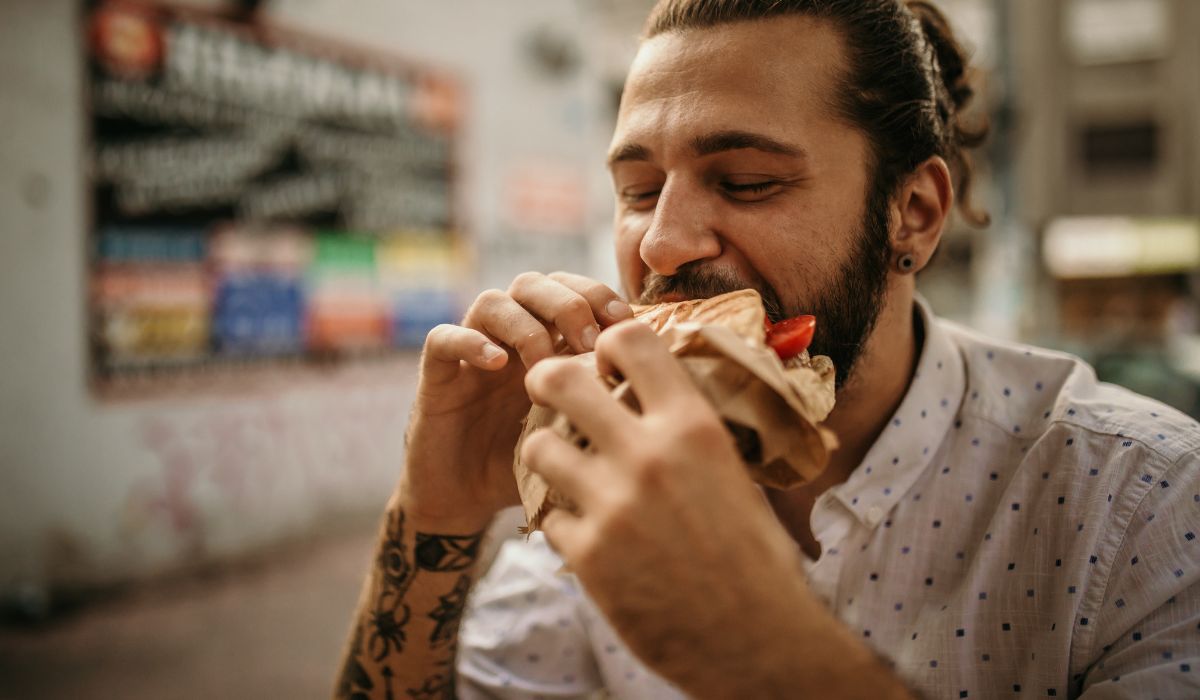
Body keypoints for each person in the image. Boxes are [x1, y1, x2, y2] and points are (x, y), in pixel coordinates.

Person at [335, 1, 1200, 697]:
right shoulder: (598, 481)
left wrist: (762, 651)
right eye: (638, 191)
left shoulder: (1146, 505)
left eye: (747, 181)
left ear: (915, 214)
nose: (662, 243)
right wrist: (433, 513)